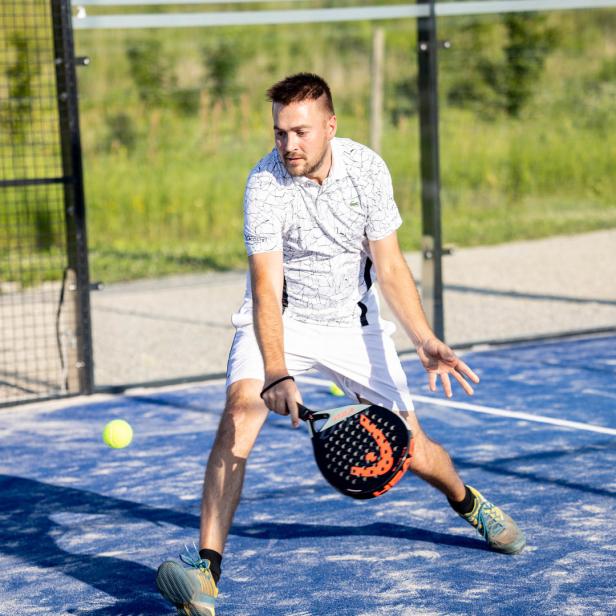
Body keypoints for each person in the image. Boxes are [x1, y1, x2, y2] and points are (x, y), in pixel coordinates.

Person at [156, 73, 525, 616]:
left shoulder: (367, 169)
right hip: (281, 322)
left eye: (301, 132)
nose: (289, 145)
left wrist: (423, 339)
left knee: (415, 449)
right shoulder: (264, 185)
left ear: (330, 125)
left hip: (354, 326)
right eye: (280, 133)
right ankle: (206, 571)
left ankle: (467, 502)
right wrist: (277, 371)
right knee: (239, 412)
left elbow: (391, 264)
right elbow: (266, 287)